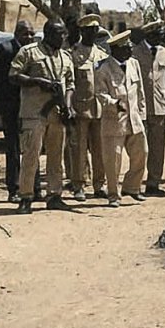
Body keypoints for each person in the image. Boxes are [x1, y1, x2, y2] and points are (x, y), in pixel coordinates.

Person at [9, 19, 76, 214]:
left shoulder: (65, 56)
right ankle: (26, 197)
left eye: (64, 34)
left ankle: (54, 195)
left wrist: (69, 106)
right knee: (31, 156)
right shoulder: (29, 52)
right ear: (48, 34)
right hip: (34, 112)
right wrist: (37, 82)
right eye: (59, 34)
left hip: (57, 113)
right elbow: (13, 75)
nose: (63, 38)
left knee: (56, 156)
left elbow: (70, 84)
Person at [0, 20, 42, 202]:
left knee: (32, 146)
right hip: (9, 104)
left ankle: (34, 187)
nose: (28, 37)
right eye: (24, 34)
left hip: (30, 104)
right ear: (16, 34)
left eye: (31, 34)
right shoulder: (5, 49)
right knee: (13, 147)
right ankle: (13, 189)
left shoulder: (35, 52)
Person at [95, 30, 148, 208]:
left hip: (134, 120)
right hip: (114, 121)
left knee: (142, 152)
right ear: (116, 49)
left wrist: (142, 115)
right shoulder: (103, 69)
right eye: (127, 48)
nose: (130, 50)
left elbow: (140, 92)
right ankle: (113, 195)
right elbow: (100, 94)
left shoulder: (134, 64)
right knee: (113, 160)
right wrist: (113, 103)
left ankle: (132, 187)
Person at [132, 20, 165, 196]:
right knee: (140, 148)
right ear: (149, 34)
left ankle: (153, 183)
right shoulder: (135, 52)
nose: (161, 37)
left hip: (160, 107)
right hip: (140, 107)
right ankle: (135, 184)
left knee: (157, 148)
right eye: (158, 34)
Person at [68, 14, 110, 201]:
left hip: (99, 109)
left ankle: (99, 184)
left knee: (100, 149)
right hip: (80, 109)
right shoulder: (73, 54)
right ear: (82, 31)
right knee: (79, 150)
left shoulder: (101, 55)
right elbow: (69, 82)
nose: (93, 34)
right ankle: (78, 185)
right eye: (89, 31)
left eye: (95, 31)